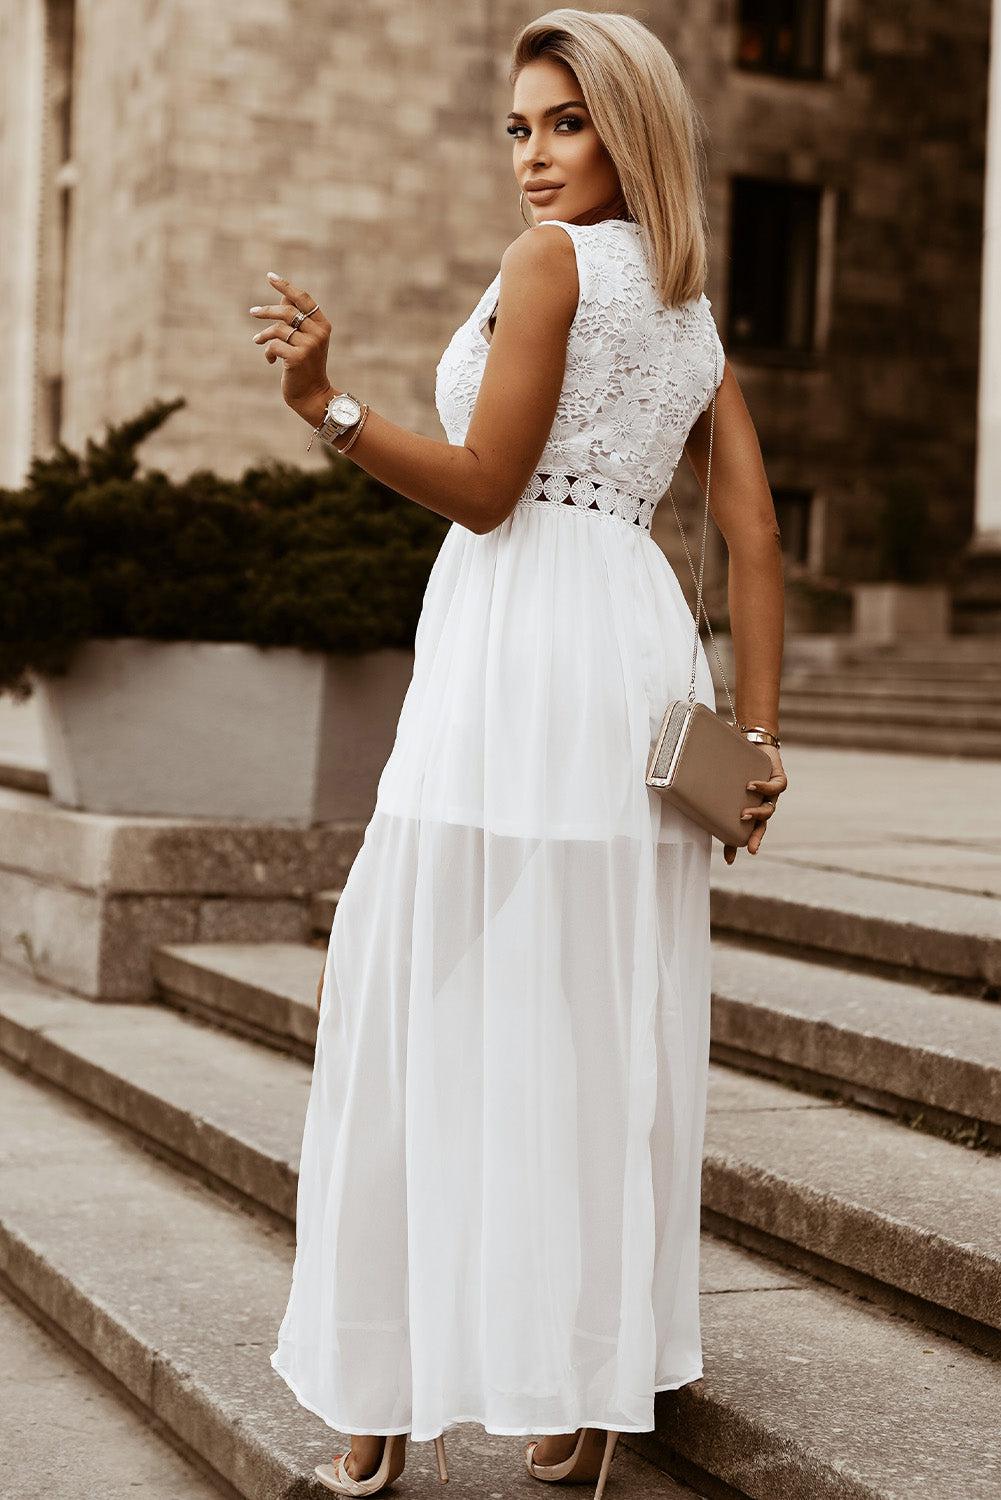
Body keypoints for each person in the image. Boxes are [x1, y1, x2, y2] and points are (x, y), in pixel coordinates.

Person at [251, 8, 786, 1497]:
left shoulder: (547, 266)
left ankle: (381, 1396)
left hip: (517, 658)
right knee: (593, 1026)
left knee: (418, 996)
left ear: (631, 129)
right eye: (518, 127)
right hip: (627, 658)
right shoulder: (687, 309)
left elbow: (489, 492)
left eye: (564, 122)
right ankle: (583, 1396)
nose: (535, 158)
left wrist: (330, 410)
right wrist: (759, 735)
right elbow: (750, 530)